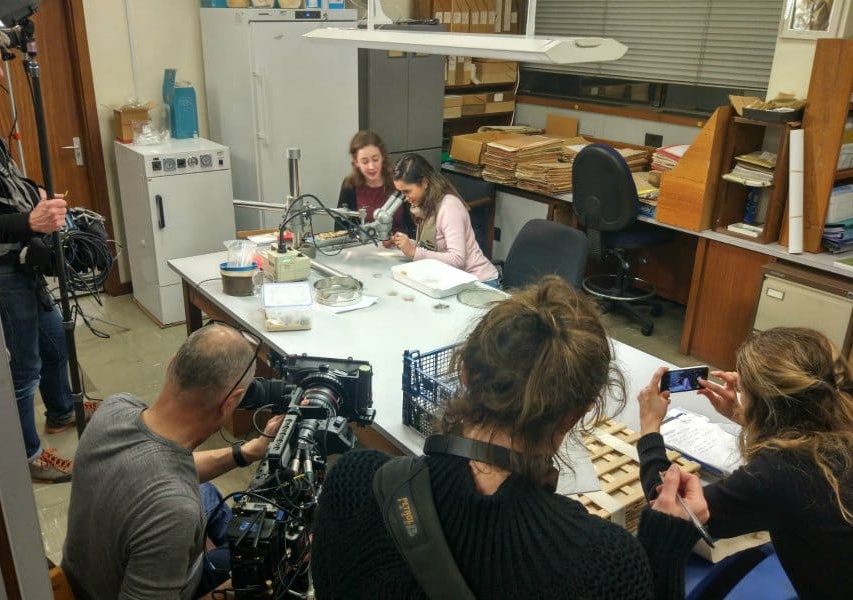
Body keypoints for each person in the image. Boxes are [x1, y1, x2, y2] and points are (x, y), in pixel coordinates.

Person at [312, 275, 705, 599]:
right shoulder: (604, 563)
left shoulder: (356, 481)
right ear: (578, 414)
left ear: (464, 373)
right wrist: (665, 550)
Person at [0, 9, 96, 483]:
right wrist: (28, 220)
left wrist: (35, 194)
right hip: (0, 269)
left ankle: (61, 410)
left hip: (24, 262)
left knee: (56, 341)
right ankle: (30, 454)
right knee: (24, 368)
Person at [62, 323, 283, 599]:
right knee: (274, 552)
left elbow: (166, 464)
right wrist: (236, 591)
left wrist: (248, 451)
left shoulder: (115, 407)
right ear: (231, 402)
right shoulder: (174, 510)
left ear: (171, 365)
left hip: (87, 571)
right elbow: (169, 493)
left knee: (207, 493)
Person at [637, 327, 853, 599]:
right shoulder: (840, 422)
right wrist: (749, 416)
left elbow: (669, 511)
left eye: (744, 390)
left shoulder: (779, 475)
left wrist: (649, 428)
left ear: (765, 406)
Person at [390, 153, 499, 286]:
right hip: (451, 279)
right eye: (400, 192)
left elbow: (458, 259)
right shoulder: (426, 204)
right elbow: (434, 247)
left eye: (407, 191)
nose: (405, 198)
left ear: (424, 183)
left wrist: (413, 252)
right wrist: (405, 244)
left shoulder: (449, 207)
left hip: (478, 281)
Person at [336, 130, 412, 240]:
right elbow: (340, 228)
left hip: (401, 249)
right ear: (356, 162)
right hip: (363, 249)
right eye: (365, 161)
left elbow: (413, 225)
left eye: (375, 159)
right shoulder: (349, 186)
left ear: (383, 157)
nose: (371, 166)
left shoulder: (399, 181)